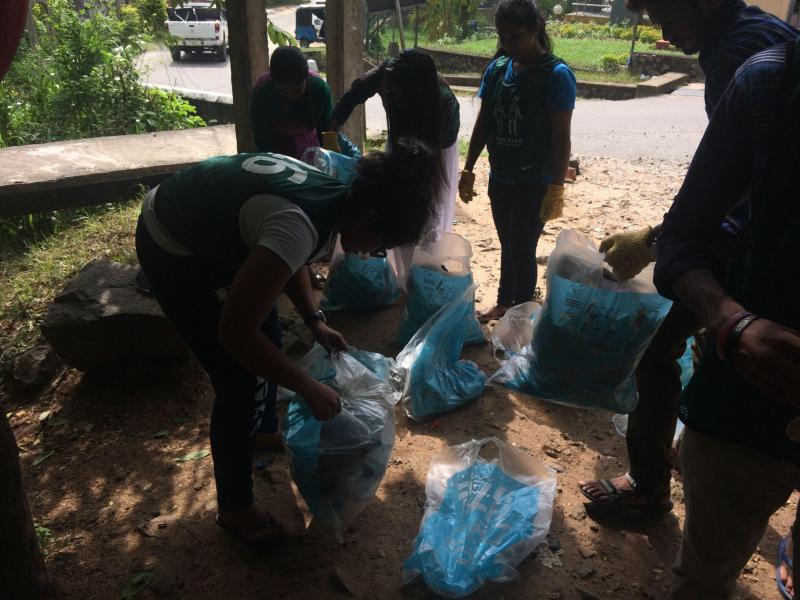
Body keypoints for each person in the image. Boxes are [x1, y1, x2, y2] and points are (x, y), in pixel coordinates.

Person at [135, 140, 438, 545]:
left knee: (271, 335)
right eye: (379, 246)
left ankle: (260, 433)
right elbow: (234, 333)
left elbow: (289, 255)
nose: (371, 254)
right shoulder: (298, 222)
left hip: (208, 222)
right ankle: (236, 510)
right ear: (368, 216)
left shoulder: (332, 195)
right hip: (172, 243)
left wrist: (314, 321)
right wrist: (307, 386)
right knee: (238, 378)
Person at [579, 0, 798, 514]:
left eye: (665, 14)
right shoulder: (751, 33)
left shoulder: (742, 51)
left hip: (747, 240)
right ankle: (693, 444)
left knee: (654, 349)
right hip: (748, 231)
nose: (662, 30)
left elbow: (743, 174)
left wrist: (656, 238)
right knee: (705, 346)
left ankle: (649, 486)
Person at [654, 38, 800, 599]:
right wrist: (732, 323)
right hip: (747, 404)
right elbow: (682, 238)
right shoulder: (769, 84)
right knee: (703, 578)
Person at [458, 0, 575, 323]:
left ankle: (520, 311)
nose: (507, 44)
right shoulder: (497, 70)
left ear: (535, 29)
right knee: (507, 243)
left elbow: (560, 137)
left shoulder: (556, 75)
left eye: (515, 37)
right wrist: (468, 168)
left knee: (522, 246)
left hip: (534, 180)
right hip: (502, 176)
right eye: (502, 37)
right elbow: (483, 124)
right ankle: (505, 302)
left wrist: (556, 187)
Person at [329, 49, 458, 280]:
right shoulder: (386, 75)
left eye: (398, 90)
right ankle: (401, 273)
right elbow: (353, 95)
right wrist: (332, 128)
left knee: (424, 214)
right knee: (394, 205)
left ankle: (420, 276)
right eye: (390, 86)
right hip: (402, 142)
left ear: (416, 91)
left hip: (436, 150)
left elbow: (424, 162)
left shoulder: (443, 104)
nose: (391, 92)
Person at [250, 46, 333, 159]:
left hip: (309, 148)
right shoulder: (262, 91)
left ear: (307, 79)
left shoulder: (320, 89)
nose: (291, 97)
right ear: (274, 84)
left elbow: (327, 132)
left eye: (297, 90)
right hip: (274, 148)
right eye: (282, 91)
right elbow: (261, 138)